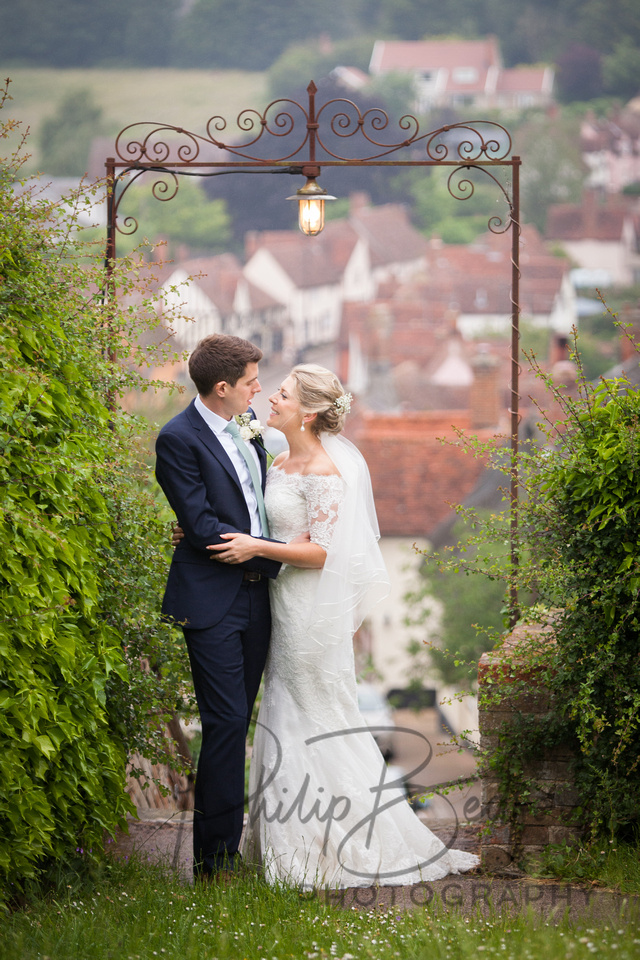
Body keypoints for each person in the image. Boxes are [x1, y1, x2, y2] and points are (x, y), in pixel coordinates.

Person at [206, 364, 480, 889]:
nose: (270, 398)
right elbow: (244, 487)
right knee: (285, 709)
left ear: (308, 412)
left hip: (308, 609)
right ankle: (285, 844)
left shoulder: (327, 473)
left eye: (281, 394)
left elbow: (322, 553)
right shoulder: (278, 457)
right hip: (280, 602)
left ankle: (322, 850)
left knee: (310, 714)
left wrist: (255, 548)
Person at [155, 334, 282, 881]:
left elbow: (261, 499)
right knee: (226, 721)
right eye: (252, 381)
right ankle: (214, 863)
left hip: (262, 596)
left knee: (240, 720)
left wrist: (271, 557)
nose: (260, 388)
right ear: (222, 387)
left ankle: (232, 850)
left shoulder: (247, 425)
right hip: (212, 600)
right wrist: (286, 558)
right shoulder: (177, 439)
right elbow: (203, 527)